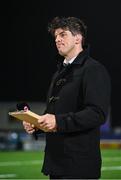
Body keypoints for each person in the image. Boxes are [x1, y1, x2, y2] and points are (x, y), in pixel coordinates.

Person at [22, 17, 111, 179]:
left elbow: (97, 113)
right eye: (55, 36)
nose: (57, 39)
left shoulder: (93, 70)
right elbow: (56, 113)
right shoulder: (58, 74)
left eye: (63, 35)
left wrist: (57, 121)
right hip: (56, 163)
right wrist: (37, 124)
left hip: (79, 165)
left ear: (78, 38)